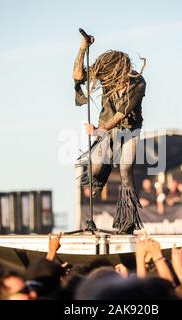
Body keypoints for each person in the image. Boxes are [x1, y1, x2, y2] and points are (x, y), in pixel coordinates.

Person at [73, 34, 146, 234]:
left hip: (130, 130)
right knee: (94, 169)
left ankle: (127, 222)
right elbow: (78, 75)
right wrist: (82, 49)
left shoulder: (138, 82)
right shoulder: (108, 76)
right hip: (107, 129)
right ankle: (100, 175)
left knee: (125, 170)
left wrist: (98, 130)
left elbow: (123, 112)